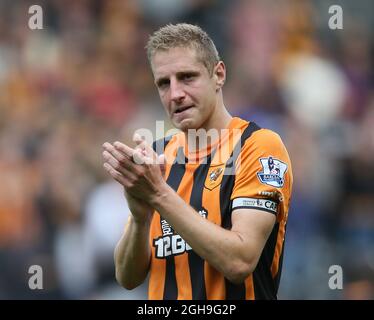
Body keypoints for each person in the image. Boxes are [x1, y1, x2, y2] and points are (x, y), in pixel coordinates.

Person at [102, 23, 293, 300]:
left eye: (187, 77)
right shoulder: (156, 158)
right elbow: (127, 277)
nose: (175, 94)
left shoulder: (258, 146)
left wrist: (158, 194)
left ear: (218, 74)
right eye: (163, 83)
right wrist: (140, 218)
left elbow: (240, 262)